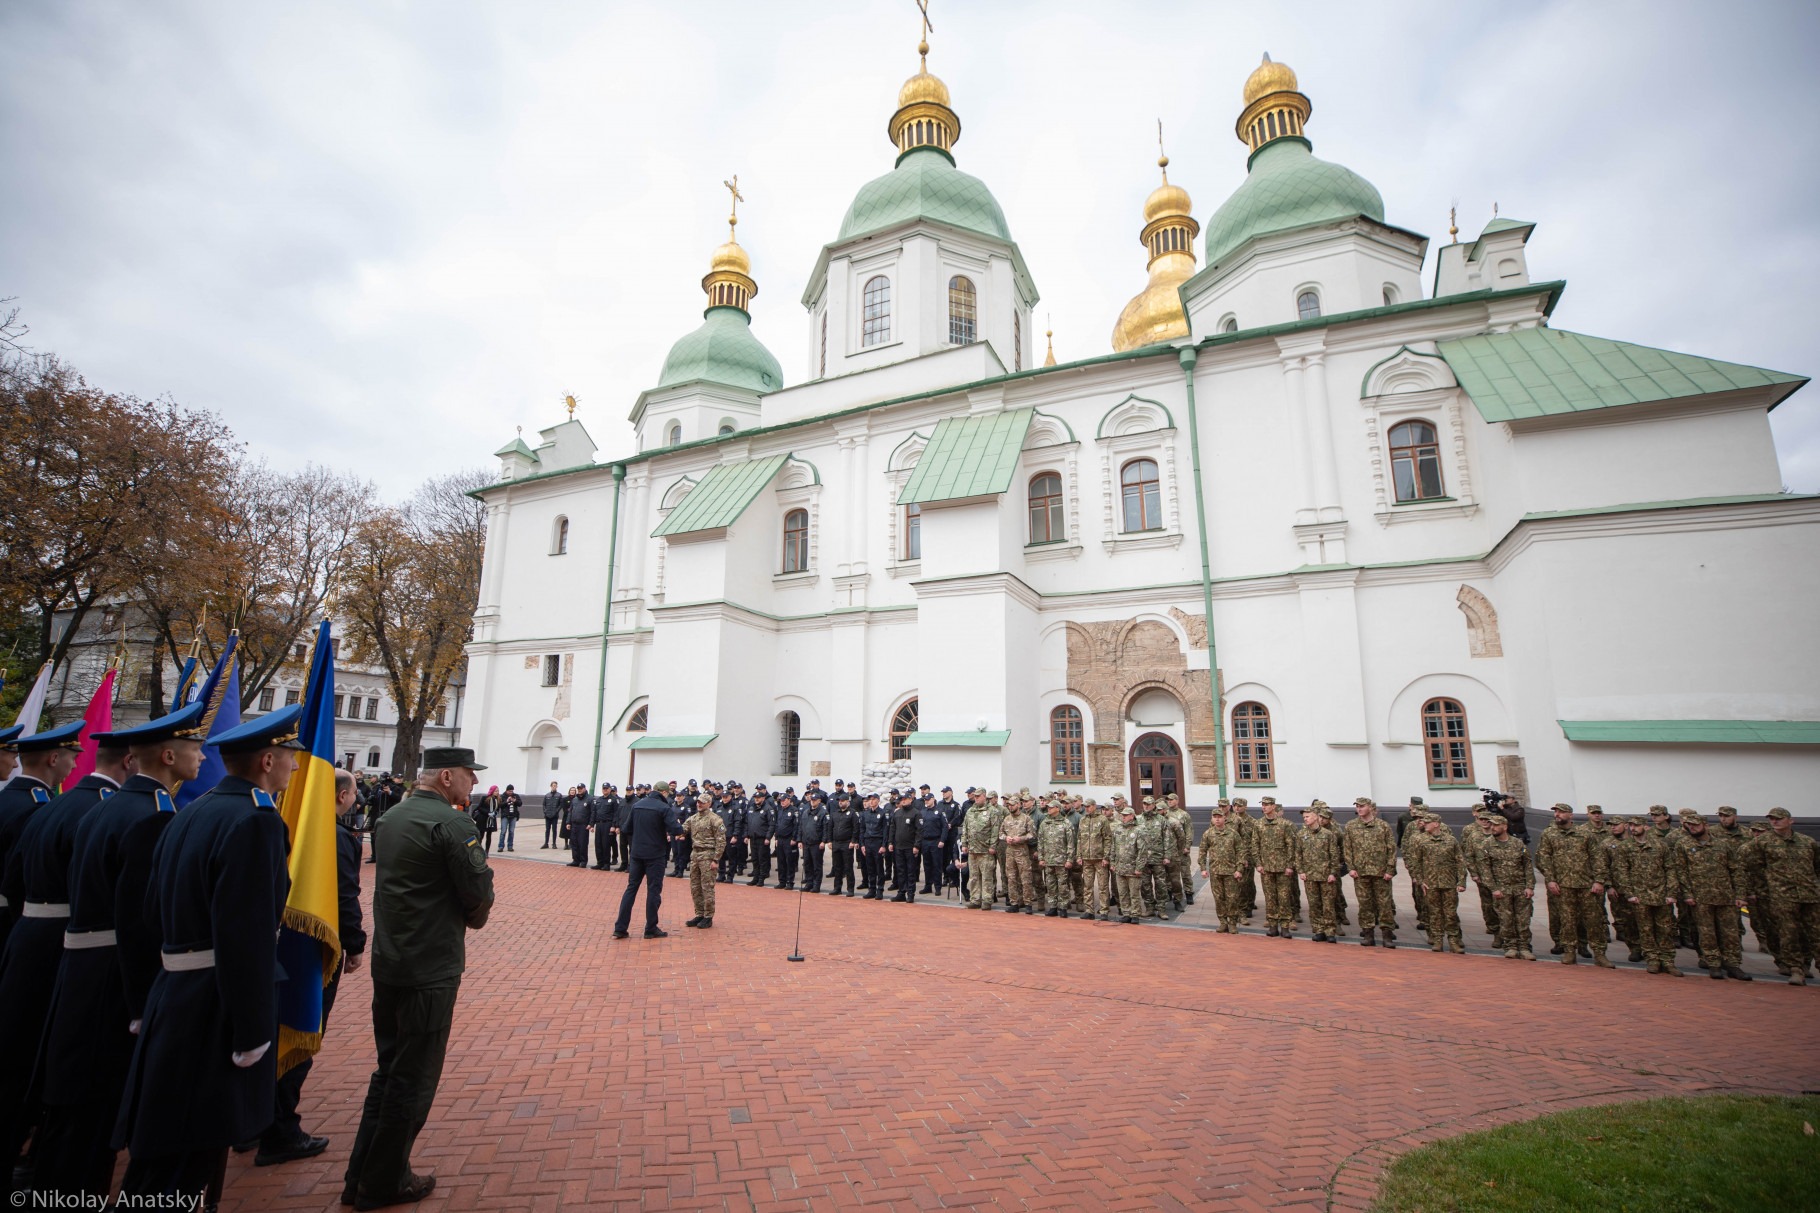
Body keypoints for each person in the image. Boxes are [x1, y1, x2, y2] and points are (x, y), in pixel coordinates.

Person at [113, 706, 298, 1208]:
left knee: (163, 1150)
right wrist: (252, 1031)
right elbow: (247, 935)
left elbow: (152, 911)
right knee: (192, 1157)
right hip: (215, 1006)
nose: (295, 767)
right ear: (266, 760)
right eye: (289, 757)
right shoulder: (256, 821)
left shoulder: (192, 808)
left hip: (173, 994)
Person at [30, 703, 206, 1197]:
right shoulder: (151, 816)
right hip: (114, 975)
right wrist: (141, 1002)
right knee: (98, 1100)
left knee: (70, 1096)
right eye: (194, 748)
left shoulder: (104, 805)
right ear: (168, 756)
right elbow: (141, 921)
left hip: (80, 963)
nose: (201, 757)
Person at [345, 746, 494, 1210]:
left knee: (388, 1069)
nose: (473, 783)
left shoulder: (392, 819)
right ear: (447, 776)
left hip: (390, 961)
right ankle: (385, 1180)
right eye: (469, 776)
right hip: (430, 965)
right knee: (415, 1076)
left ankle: (361, 1175)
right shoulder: (452, 823)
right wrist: (474, 916)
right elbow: (477, 892)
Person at [0, 719, 122, 1190]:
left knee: (21, 1053)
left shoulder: (51, 806)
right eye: (70, 754)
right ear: (54, 758)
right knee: (52, 1059)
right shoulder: (90, 809)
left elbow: (13, 881)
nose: (74, 762)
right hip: (68, 944)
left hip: (26, 936)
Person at [248, 768, 367, 1165]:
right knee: (301, 1030)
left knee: (269, 1033)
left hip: (278, 944)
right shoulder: (334, 837)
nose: (354, 800)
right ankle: (280, 1129)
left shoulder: (288, 822)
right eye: (351, 793)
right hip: (312, 949)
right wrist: (354, 944)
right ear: (340, 796)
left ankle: (253, 1121)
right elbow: (344, 895)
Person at [1742, 807, 1819, 985]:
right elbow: (1747, 862)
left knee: (1814, 934)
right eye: (1772, 819)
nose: (1775, 822)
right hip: (1782, 896)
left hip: (1809, 895)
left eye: (1779, 819)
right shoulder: (1763, 842)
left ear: (1790, 821)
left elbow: (1816, 866)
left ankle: (1809, 965)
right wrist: (1762, 886)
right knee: (1788, 933)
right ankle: (1795, 968)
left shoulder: (1807, 842)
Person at [1675, 809, 1751, 981]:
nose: (1692, 828)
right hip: (1700, 897)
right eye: (1689, 825)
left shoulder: (1722, 845)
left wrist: (1740, 894)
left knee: (1730, 933)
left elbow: (1735, 870)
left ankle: (1733, 964)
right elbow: (1681, 871)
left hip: (1725, 896)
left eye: (1696, 825)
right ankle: (1713, 963)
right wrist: (1687, 894)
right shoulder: (1683, 845)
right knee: (1706, 933)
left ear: (1706, 825)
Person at [614, 781, 675, 939]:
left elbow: (626, 828)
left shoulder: (638, 805)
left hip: (636, 853)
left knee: (631, 889)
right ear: (664, 792)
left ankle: (620, 927)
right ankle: (650, 928)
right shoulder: (664, 807)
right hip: (655, 855)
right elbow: (675, 828)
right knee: (653, 891)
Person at [1344, 797, 1398, 948]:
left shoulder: (1383, 826)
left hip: (1381, 873)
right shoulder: (1351, 826)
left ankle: (1387, 935)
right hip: (1361, 873)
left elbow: (1391, 849)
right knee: (1365, 904)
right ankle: (1368, 934)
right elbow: (1348, 849)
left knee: (1384, 905)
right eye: (1357, 807)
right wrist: (1351, 868)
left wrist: (1390, 869)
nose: (1359, 809)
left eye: (1362, 806)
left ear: (1370, 807)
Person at [1294, 803, 1343, 942]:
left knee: (1328, 905)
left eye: (1308, 816)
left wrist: (1333, 872)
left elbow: (1334, 855)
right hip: (1309, 875)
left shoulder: (1328, 835)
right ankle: (1318, 929)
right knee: (1314, 904)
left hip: (1326, 875)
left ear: (1316, 817)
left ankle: (1330, 931)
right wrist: (1301, 871)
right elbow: (1298, 854)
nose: (1305, 819)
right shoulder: (1301, 834)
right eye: (1304, 817)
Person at [682, 794, 726, 929]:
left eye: (702, 802)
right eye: (698, 802)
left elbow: (721, 840)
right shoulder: (693, 818)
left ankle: (708, 916)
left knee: (707, 887)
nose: (699, 804)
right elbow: (683, 829)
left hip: (708, 855)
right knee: (695, 887)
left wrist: (716, 859)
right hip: (695, 854)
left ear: (709, 804)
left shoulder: (715, 819)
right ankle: (699, 914)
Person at [827, 793, 856, 896]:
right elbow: (830, 828)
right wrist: (829, 841)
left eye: (842, 801)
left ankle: (850, 889)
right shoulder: (835, 813)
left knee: (848, 867)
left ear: (847, 802)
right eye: (839, 801)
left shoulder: (852, 813)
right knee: (837, 867)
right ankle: (837, 888)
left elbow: (855, 829)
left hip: (847, 843)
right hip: (836, 843)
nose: (840, 802)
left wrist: (853, 841)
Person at [593, 783, 621, 869]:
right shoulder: (599, 799)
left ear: (609, 789)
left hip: (608, 824)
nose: (605, 790)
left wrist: (614, 825)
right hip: (599, 824)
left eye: (606, 788)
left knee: (606, 844)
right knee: (598, 844)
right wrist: (591, 824)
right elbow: (595, 812)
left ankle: (606, 864)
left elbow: (616, 814)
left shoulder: (613, 799)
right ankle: (599, 862)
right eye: (603, 788)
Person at [566, 785, 593, 868]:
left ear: (584, 789)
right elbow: (570, 811)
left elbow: (593, 812)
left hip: (583, 825)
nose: (579, 790)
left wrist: (591, 824)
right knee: (574, 843)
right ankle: (575, 860)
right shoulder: (574, 799)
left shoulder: (589, 799)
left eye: (581, 789)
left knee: (582, 843)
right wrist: (568, 822)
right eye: (578, 789)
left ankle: (583, 861)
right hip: (574, 824)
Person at [497, 784, 520, 852]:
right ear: (506, 790)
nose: (511, 792)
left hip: (513, 816)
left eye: (512, 791)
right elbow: (499, 805)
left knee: (511, 831)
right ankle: (501, 846)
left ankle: (510, 846)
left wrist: (514, 801)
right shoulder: (502, 796)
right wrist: (506, 801)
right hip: (505, 816)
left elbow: (520, 803)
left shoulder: (515, 796)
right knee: (503, 831)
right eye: (509, 791)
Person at [541, 782, 563, 849]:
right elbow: (544, 804)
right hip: (547, 815)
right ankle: (546, 843)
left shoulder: (559, 795)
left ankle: (554, 843)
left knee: (554, 830)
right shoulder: (547, 795)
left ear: (557, 787)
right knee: (547, 830)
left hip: (554, 816)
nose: (554, 787)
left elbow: (560, 805)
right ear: (551, 786)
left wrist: (556, 811)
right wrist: (545, 811)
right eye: (553, 786)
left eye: (555, 786)